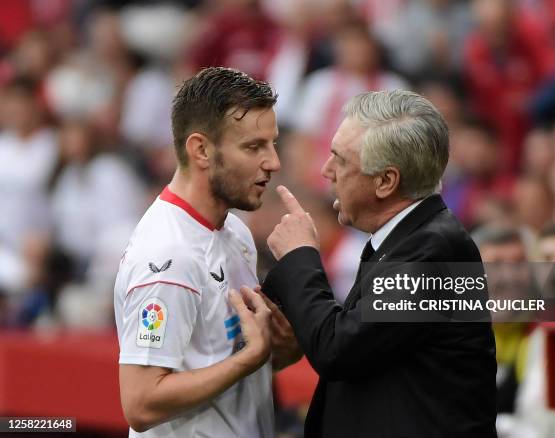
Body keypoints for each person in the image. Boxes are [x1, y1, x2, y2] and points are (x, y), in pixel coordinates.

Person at [261, 90, 498, 437]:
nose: (326, 171)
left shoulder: (433, 250)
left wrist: (300, 256)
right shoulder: (409, 239)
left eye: (340, 160)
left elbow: (339, 350)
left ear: (386, 182)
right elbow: (364, 347)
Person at [113, 67, 300, 437]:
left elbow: (233, 358)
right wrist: (249, 359)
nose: (273, 163)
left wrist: (283, 347)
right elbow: (140, 402)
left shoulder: (234, 231)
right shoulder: (168, 257)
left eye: (272, 143)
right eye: (253, 147)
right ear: (200, 149)